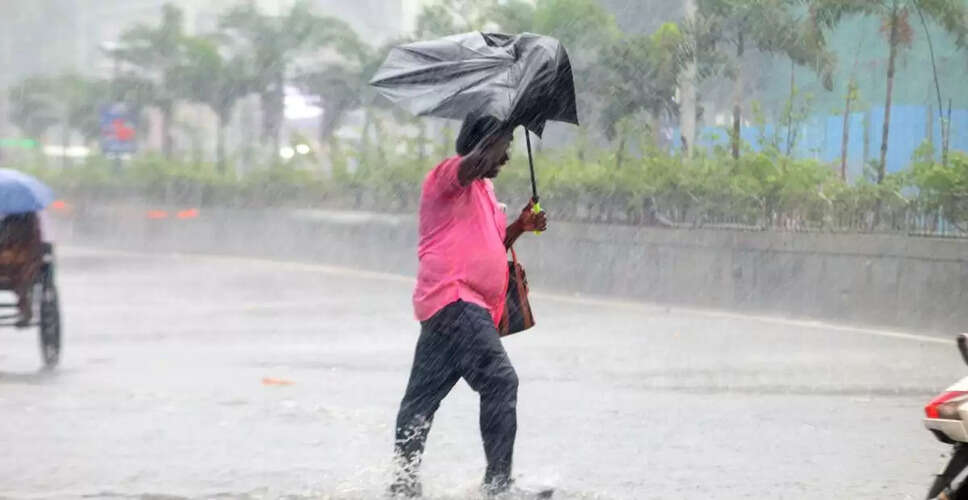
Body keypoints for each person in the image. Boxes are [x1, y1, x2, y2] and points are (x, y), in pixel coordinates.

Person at [390, 115, 548, 498]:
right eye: (504, 147)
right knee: (500, 380)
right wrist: (503, 127)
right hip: (457, 300)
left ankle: (403, 485)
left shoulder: (485, 192)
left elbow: (490, 243)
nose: (506, 157)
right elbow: (472, 164)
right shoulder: (446, 177)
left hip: (449, 309)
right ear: (484, 143)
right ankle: (498, 488)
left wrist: (520, 226)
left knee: (420, 400)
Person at [0, 212, 44, 327]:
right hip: (7, 264)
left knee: (23, 281)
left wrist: (14, 255)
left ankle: (25, 310)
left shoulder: (30, 222)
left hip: (22, 266)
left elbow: (34, 250)